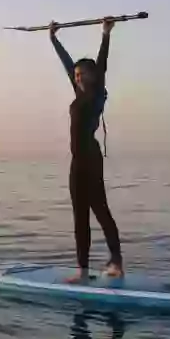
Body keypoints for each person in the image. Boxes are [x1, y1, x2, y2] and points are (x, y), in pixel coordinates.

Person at [49, 16, 123, 283]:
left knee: (100, 209)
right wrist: (53, 38)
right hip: (76, 162)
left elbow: (102, 64)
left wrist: (106, 33)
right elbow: (67, 64)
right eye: (76, 75)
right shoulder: (79, 92)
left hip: (91, 159)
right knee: (79, 214)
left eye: (83, 74)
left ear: (93, 76)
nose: (78, 77)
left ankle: (117, 262)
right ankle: (82, 270)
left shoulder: (96, 93)